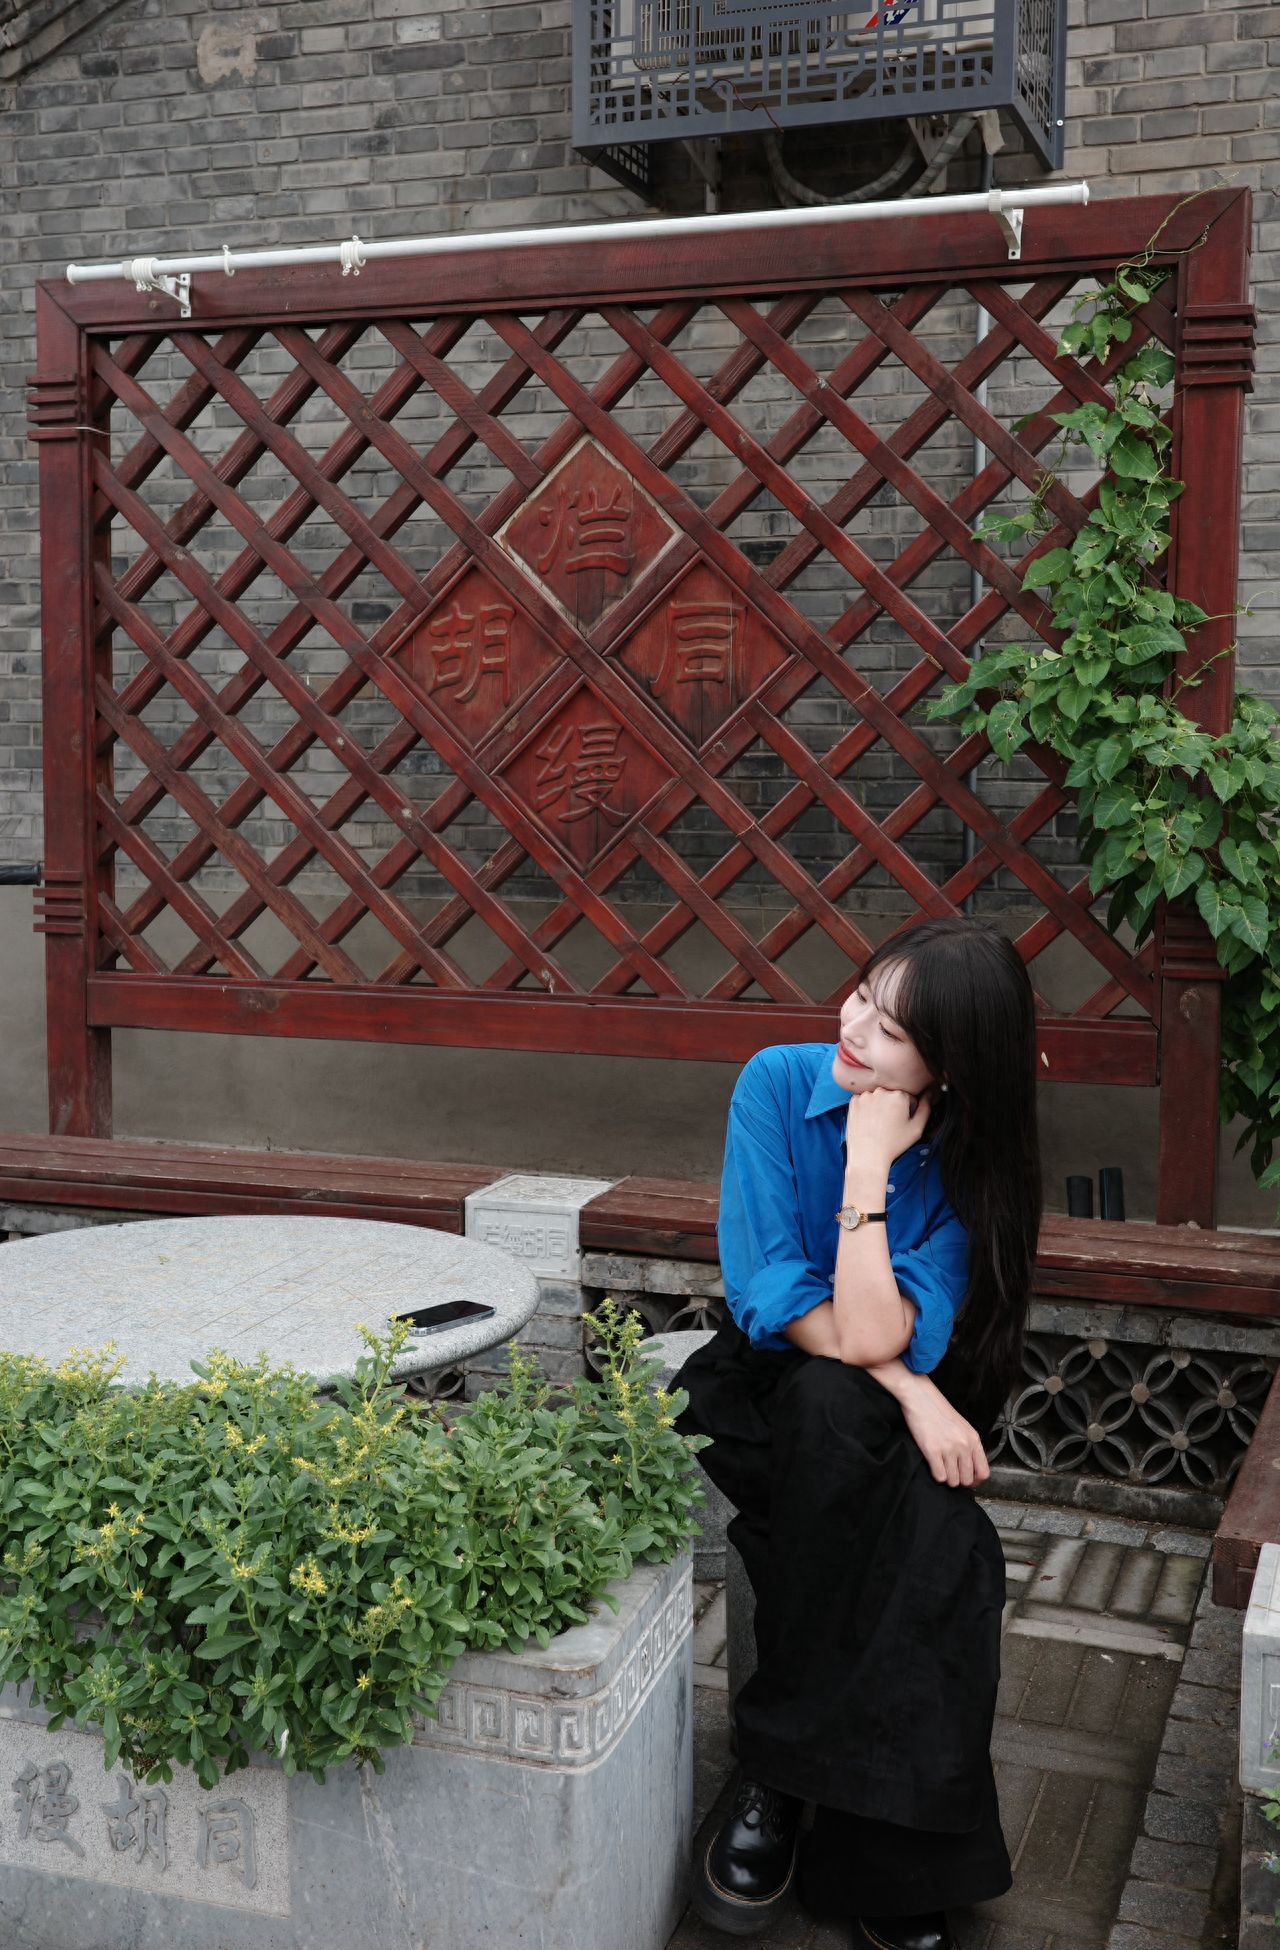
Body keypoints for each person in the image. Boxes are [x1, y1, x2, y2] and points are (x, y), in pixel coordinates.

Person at [673, 916, 1042, 1949]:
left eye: (889, 1028)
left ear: (952, 1068)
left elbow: (877, 1330)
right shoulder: (778, 1083)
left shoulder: (969, 1164)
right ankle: (885, 1848)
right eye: (860, 996)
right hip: (758, 1386)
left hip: (861, 1412)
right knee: (849, 1433)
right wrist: (921, 1399)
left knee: (939, 1544)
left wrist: (872, 1167)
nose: (853, 1028)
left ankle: (781, 1779)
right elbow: (774, 1297)